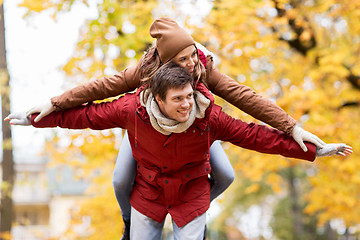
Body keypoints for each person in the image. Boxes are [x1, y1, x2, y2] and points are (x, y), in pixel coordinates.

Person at [22, 17, 327, 239]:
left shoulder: (203, 67)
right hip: (146, 131)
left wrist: (292, 127)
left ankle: (192, 206)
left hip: (197, 129)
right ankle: (129, 221)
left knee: (226, 173)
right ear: (166, 65)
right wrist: (56, 103)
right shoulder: (145, 73)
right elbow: (102, 88)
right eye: (183, 60)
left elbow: (244, 96)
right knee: (120, 179)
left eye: (193, 54)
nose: (192, 63)